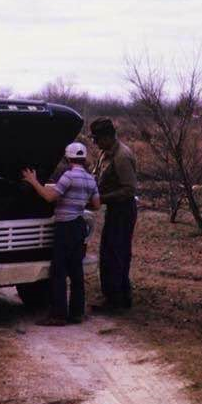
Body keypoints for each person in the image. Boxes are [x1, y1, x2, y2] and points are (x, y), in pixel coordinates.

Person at [22, 142, 100, 326]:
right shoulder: (90, 179)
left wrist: (33, 181)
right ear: (84, 158)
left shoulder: (68, 176)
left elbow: (50, 197)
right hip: (79, 226)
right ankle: (77, 313)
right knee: (76, 271)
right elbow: (96, 205)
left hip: (65, 227)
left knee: (58, 271)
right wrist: (78, 204)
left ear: (67, 158)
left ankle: (58, 315)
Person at [89, 117, 138, 311]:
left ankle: (117, 299)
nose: (95, 143)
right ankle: (115, 296)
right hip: (114, 208)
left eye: (97, 138)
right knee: (109, 252)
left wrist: (102, 199)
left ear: (108, 137)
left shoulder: (122, 156)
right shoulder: (105, 154)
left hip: (123, 210)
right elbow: (97, 177)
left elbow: (129, 189)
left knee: (116, 254)